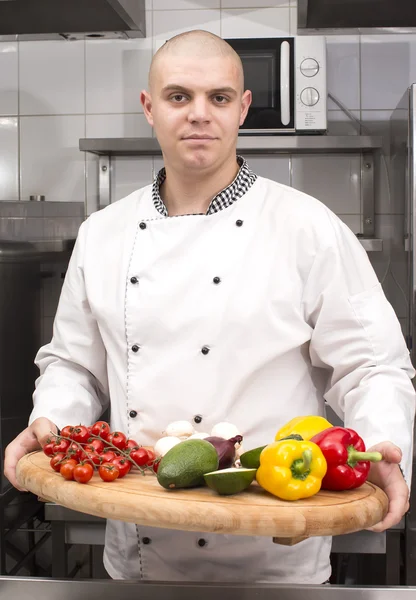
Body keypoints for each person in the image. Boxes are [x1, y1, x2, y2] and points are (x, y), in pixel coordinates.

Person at [4, 30, 415, 584]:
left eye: (219, 98)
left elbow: (372, 365)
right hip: (143, 541)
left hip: (275, 543)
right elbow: (75, 365)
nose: (199, 114)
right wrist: (53, 420)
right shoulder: (102, 233)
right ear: (149, 108)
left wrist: (385, 442)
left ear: (242, 108)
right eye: (179, 97)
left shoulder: (307, 226)